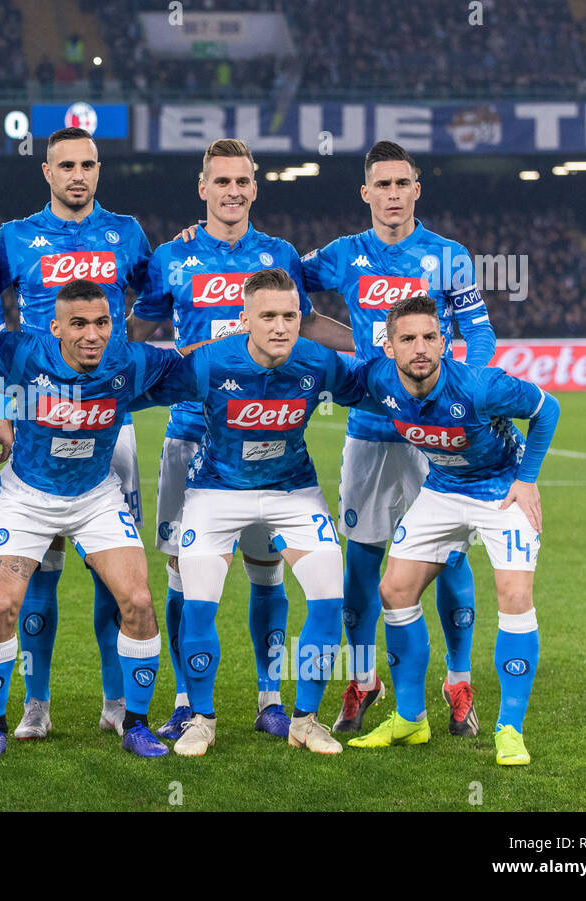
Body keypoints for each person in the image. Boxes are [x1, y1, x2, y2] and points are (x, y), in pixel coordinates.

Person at [130, 138, 352, 742]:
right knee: (184, 577)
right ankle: (185, 698)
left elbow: (304, 323)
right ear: (203, 188)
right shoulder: (171, 257)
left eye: (242, 181)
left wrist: (374, 344)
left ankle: (270, 697)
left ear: (255, 188)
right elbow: (141, 328)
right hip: (192, 438)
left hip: (272, 441)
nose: (232, 191)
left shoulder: (278, 255)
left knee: (268, 574)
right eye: (220, 181)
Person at [301, 141, 498, 736]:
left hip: (436, 437)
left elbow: (480, 336)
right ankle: (363, 680)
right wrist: (351, 347)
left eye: (402, 184)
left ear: (417, 189)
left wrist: (467, 389)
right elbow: (283, 285)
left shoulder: (449, 257)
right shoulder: (343, 255)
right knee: (361, 562)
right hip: (369, 429)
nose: (392, 195)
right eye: (381, 185)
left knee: (452, 558)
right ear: (366, 193)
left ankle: (457, 680)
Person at [0, 279, 188, 760]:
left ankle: (136, 723)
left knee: (140, 601)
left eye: (102, 323)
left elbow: (195, 359)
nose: (92, 334)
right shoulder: (22, 351)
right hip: (27, 498)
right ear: (56, 327)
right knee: (2, 606)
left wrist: (251, 337)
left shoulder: (129, 360)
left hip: (95, 496)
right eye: (79, 324)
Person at [347, 294, 558, 766]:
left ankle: (510, 729)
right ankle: (410, 718)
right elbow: (325, 375)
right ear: (389, 347)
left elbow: (548, 408)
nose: (419, 348)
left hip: (502, 491)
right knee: (394, 589)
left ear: (444, 342)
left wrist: (527, 480)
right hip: (442, 490)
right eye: (408, 339)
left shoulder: (482, 386)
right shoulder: (378, 381)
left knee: (515, 598)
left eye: (429, 337)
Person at [0, 126, 152, 740]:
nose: (78, 175)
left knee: (116, 577)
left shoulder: (128, 233)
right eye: (66, 165)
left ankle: (117, 703)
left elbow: (156, 302)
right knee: (36, 573)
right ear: (47, 172)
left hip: (112, 424)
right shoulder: (15, 238)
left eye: (88, 164)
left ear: (98, 169)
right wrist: (6, 403)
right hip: (37, 414)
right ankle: (36, 703)